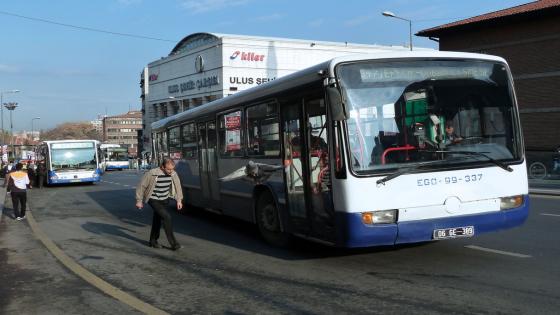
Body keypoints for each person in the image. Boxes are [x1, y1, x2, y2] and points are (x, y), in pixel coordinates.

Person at [135, 157, 183, 250]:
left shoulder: (173, 174)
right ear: (162, 167)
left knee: (157, 220)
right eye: (168, 169)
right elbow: (141, 186)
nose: (170, 171)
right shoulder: (152, 173)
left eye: (172, 169)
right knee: (167, 217)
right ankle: (174, 244)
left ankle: (153, 241)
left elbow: (178, 187)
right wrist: (139, 201)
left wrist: (179, 200)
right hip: (153, 199)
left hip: (164, 199)